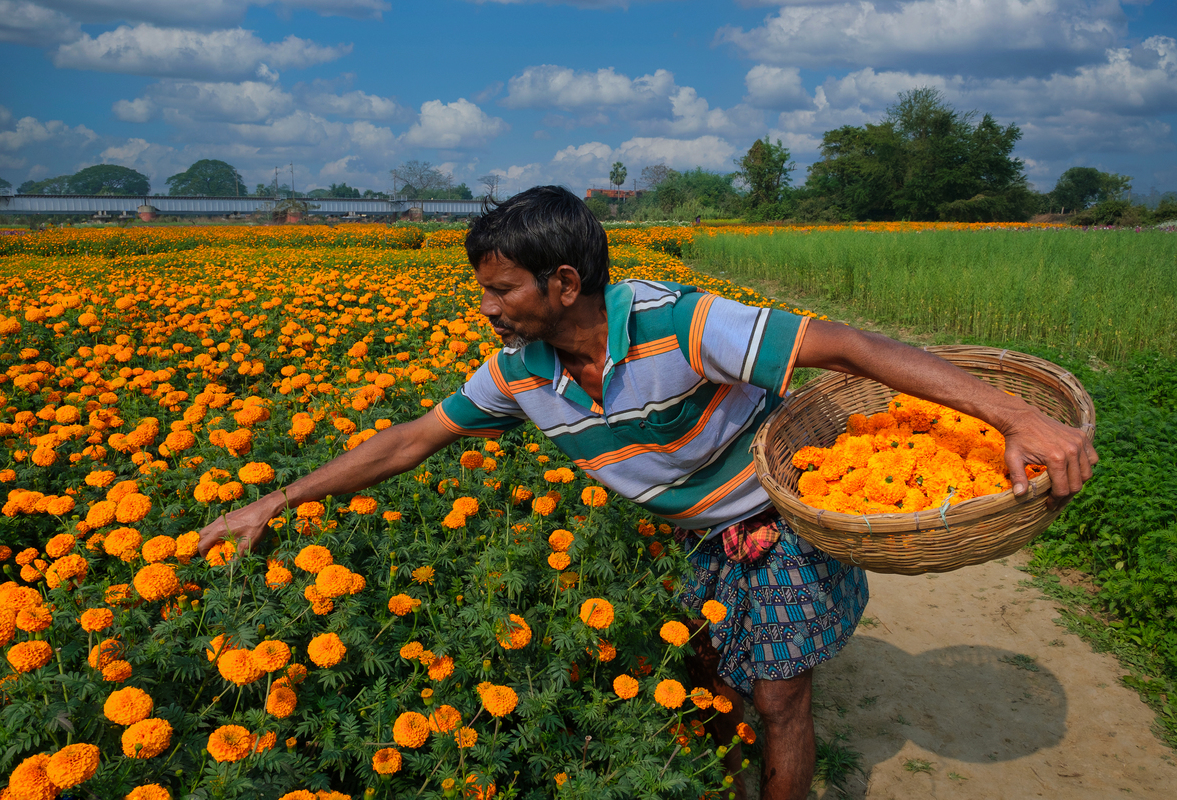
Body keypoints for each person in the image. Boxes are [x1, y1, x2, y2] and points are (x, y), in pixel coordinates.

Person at [198, 185, 1097, 800]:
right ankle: (730, 770)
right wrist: (279, 499)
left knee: (780, 696)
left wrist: (1015, 414)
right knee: (709, 673)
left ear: (563, 283)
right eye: (483, 291)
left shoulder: (683, 323)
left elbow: (850, 346)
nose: (487, 307)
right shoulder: (517, 373)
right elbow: (411, 438)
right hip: (689, 536)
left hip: (773, 516)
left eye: (500, 290)